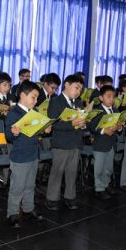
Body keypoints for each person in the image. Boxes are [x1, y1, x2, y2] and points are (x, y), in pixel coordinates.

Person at [5, 81, 51, 227]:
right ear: (23, 96)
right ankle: (12, 213)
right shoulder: (14, 113)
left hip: (33, 154)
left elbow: (36, 130)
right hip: (20, 156)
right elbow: (8, 136)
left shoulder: (35, 112)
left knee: (30, 184)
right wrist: (13, 133)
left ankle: (28, 208)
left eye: (37, 98)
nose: (36, 101)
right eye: (33, 97)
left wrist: (45, 129)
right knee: (17, 187)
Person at [45, 74, 85, 211]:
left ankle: (70, 196)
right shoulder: (56, 101)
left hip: (76, 142)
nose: (78, 91)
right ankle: (52, 198)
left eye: (80, 89)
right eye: (76, 87)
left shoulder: (79, 103)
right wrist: (71, 123)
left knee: (72, 171)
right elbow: (54, 123)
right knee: (57, 171)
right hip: (61, 143)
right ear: (67, 85)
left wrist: (83, 123)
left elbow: (81, 121)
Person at [88, 85, 121, 199]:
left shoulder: (115, 110)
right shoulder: (97, 111)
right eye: (108, 96)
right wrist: (103, 130)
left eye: (113, 97)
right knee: (99, 167)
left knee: (108, 167)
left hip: (111, 143)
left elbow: (119, 127)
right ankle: (99, 188)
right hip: (100, 143)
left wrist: (119, 127)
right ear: (101, 98)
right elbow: (91, 126)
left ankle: (106, 184)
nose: (111, 99)